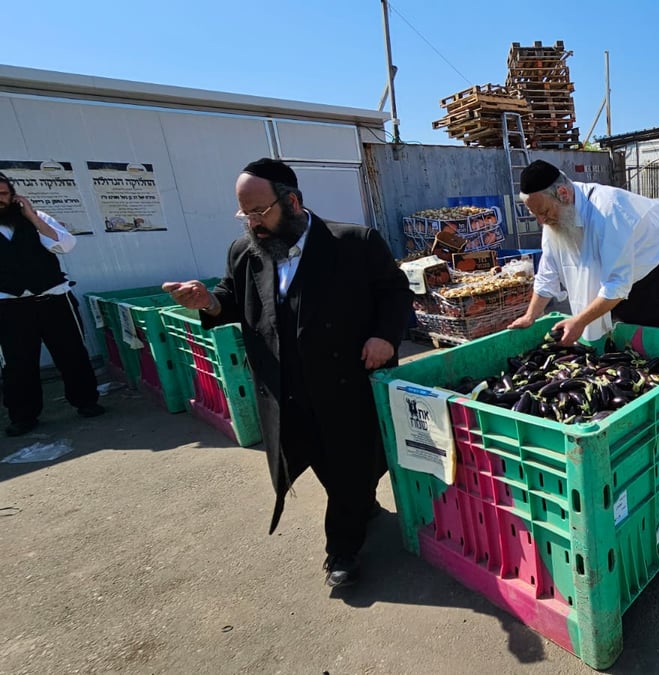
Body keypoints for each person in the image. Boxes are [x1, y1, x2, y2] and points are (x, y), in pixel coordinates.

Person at [162, 159, 410, 589]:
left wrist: (385, 337)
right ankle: (359, 505)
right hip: (285, 387)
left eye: (260, 212)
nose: (253, 224)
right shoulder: (245, 252)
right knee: (317, 458)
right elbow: (232, 298)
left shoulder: (353, 242)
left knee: (352, 462)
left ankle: (342, 549)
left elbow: (395, 294)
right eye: (245, 214)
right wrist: (207, 302)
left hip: (346, 380)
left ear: (292, 201)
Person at [507, 160, 659, 344]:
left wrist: (579, 322)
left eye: (543, 212)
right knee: (616, 337)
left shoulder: (609, 210)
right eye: (535, 214)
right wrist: (530, 316)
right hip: (618, 278)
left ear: (563, 194)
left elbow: (617, 284)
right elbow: (548, 273)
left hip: (652, 275)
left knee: (651, 341)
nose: (541, 221)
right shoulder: (553, 217)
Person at [0, 173, 105, 437]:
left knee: (72, 353)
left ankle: (86, 401)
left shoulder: (37, 218)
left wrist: (33, 218)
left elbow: (66, 245)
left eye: (3, 194)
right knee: (17, 363)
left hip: (53, 299)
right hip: (11, 307)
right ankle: (23, 416)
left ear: (13, 195)